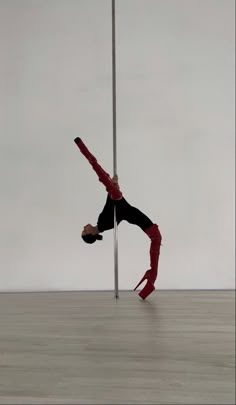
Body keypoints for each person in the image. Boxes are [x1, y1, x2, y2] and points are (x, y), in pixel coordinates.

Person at [74, 137, 162, 300]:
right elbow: (113, 207)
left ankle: (151, 277)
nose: (84, 227)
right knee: (97, 169)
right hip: (119, 201)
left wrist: (113, 186)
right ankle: (81, 145)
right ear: (91, 234)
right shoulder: (104, 224)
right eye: (84, 231)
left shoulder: (102, 223)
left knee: (156, 236)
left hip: (119, 201)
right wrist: (112, 188)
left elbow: (112, 206)